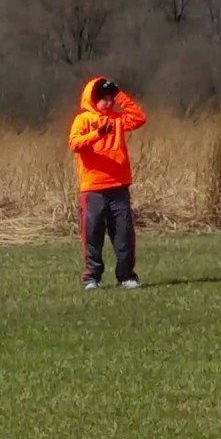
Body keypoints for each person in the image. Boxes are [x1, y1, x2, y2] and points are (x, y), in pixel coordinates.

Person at [67, 76, 147, 290]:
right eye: (104, 98)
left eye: (111, 98)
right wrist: (97, 134)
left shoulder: (118, 119)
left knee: (124, 235)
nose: (108, 102)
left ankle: (126, 276)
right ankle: (92, 277)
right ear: (93, 99)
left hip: (119, 186)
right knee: (92, 235)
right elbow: (74, 143)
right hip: (92, 188)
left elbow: (139, 118)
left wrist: (120, 94)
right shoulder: (83, 119)